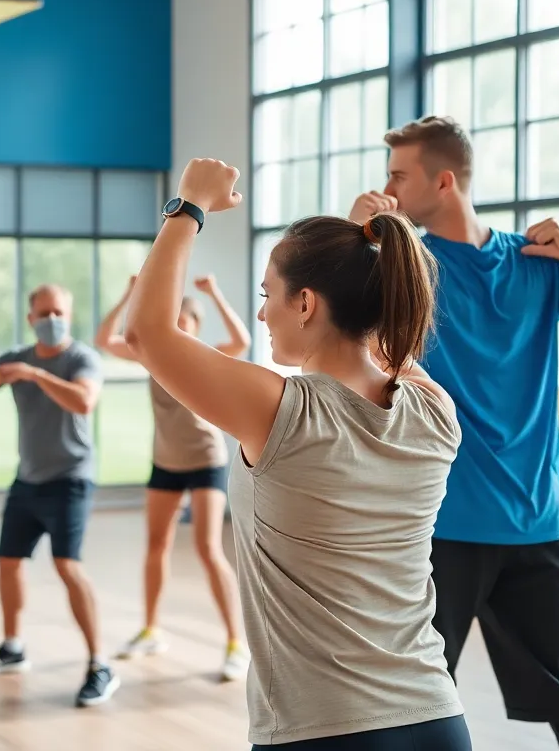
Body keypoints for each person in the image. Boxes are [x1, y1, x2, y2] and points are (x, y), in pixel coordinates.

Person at [126, 158, 472, 749]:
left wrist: (189, 207)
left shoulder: (280, 410)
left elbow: (148, 334)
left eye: (268, 295)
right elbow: (377, 345)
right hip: (436, 717)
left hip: (327, 731)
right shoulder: (436, 410)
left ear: (306, 303)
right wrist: (353, 247)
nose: (261, 313)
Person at [349, 116, 559, 751]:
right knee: (409, 706)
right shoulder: (408, 266)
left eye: (398, 174)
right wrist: (356, 232)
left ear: (443, 180)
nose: (386, 186)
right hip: (444, 530)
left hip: (542, 528)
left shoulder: (536, 266)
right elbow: (332, 317)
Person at [0, 283, 119, 708]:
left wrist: (36, 376)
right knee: (8, 563)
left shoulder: (81, 357)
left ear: (69, 313)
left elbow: (84, 402)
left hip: (71, 477)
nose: (51, 320)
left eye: (58, 312)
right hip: (27, 479)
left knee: (67, 565)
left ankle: (100, 664)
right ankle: (12, 647)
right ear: (30, 319)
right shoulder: (15, 358)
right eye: (43, 313)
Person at [96, 273, 250, 680]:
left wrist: (215, 293)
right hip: (165, 459)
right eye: (173, 322)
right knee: (156, 544)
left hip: (205, 459)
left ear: (196, 329)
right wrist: (129, 294)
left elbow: (242, 341)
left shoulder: (208, 354)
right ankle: (150, 629)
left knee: (206, 547)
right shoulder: (151, 354)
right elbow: (104, 340)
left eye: (185, 323)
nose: (178, 329)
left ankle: (236, 642)